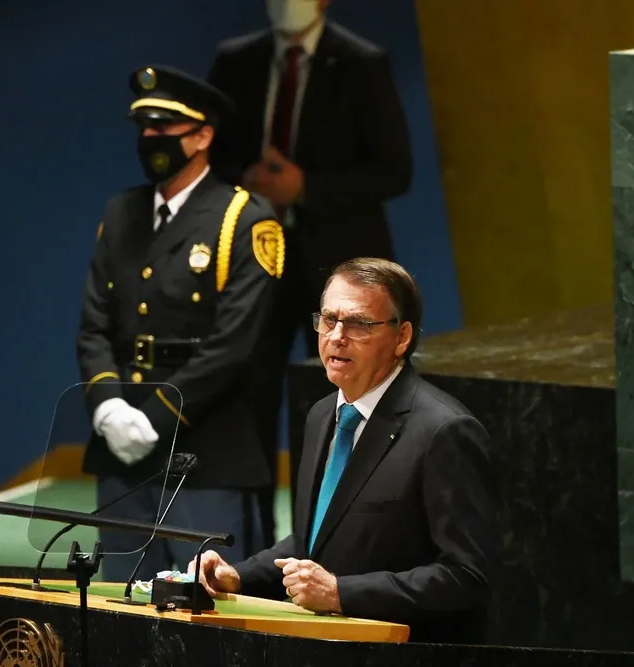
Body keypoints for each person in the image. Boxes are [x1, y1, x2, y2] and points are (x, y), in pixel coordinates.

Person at [188, 258, 498, 644]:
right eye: (328, 319)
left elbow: (467, 576)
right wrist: (239, 575)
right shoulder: (322, 416)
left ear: (402, 337)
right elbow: (315, 539)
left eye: (358, 324)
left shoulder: (443, 431)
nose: (336, 336)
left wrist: (341, 593)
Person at [206, 0, 415, 549]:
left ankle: (324, 539)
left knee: (332, 397)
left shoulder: (361, 62)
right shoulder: (237, 61)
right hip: (254, 263)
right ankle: (250, 542)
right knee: (248, 395)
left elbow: (395, 168)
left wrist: (307, 189)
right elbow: (210, 156)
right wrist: (245, 180)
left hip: (338, 266)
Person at [76, 64, 284, 582]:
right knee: (117, 606)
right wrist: (107, 408)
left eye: (164, 128)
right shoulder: (121, 213)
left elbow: (234, 345)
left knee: (205, 609)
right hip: (122, 446)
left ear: (203, 135)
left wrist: (156, 418)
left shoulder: (244, 219)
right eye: (144, 128)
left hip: (204, 447)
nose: (150, 139)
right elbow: (94, 327)